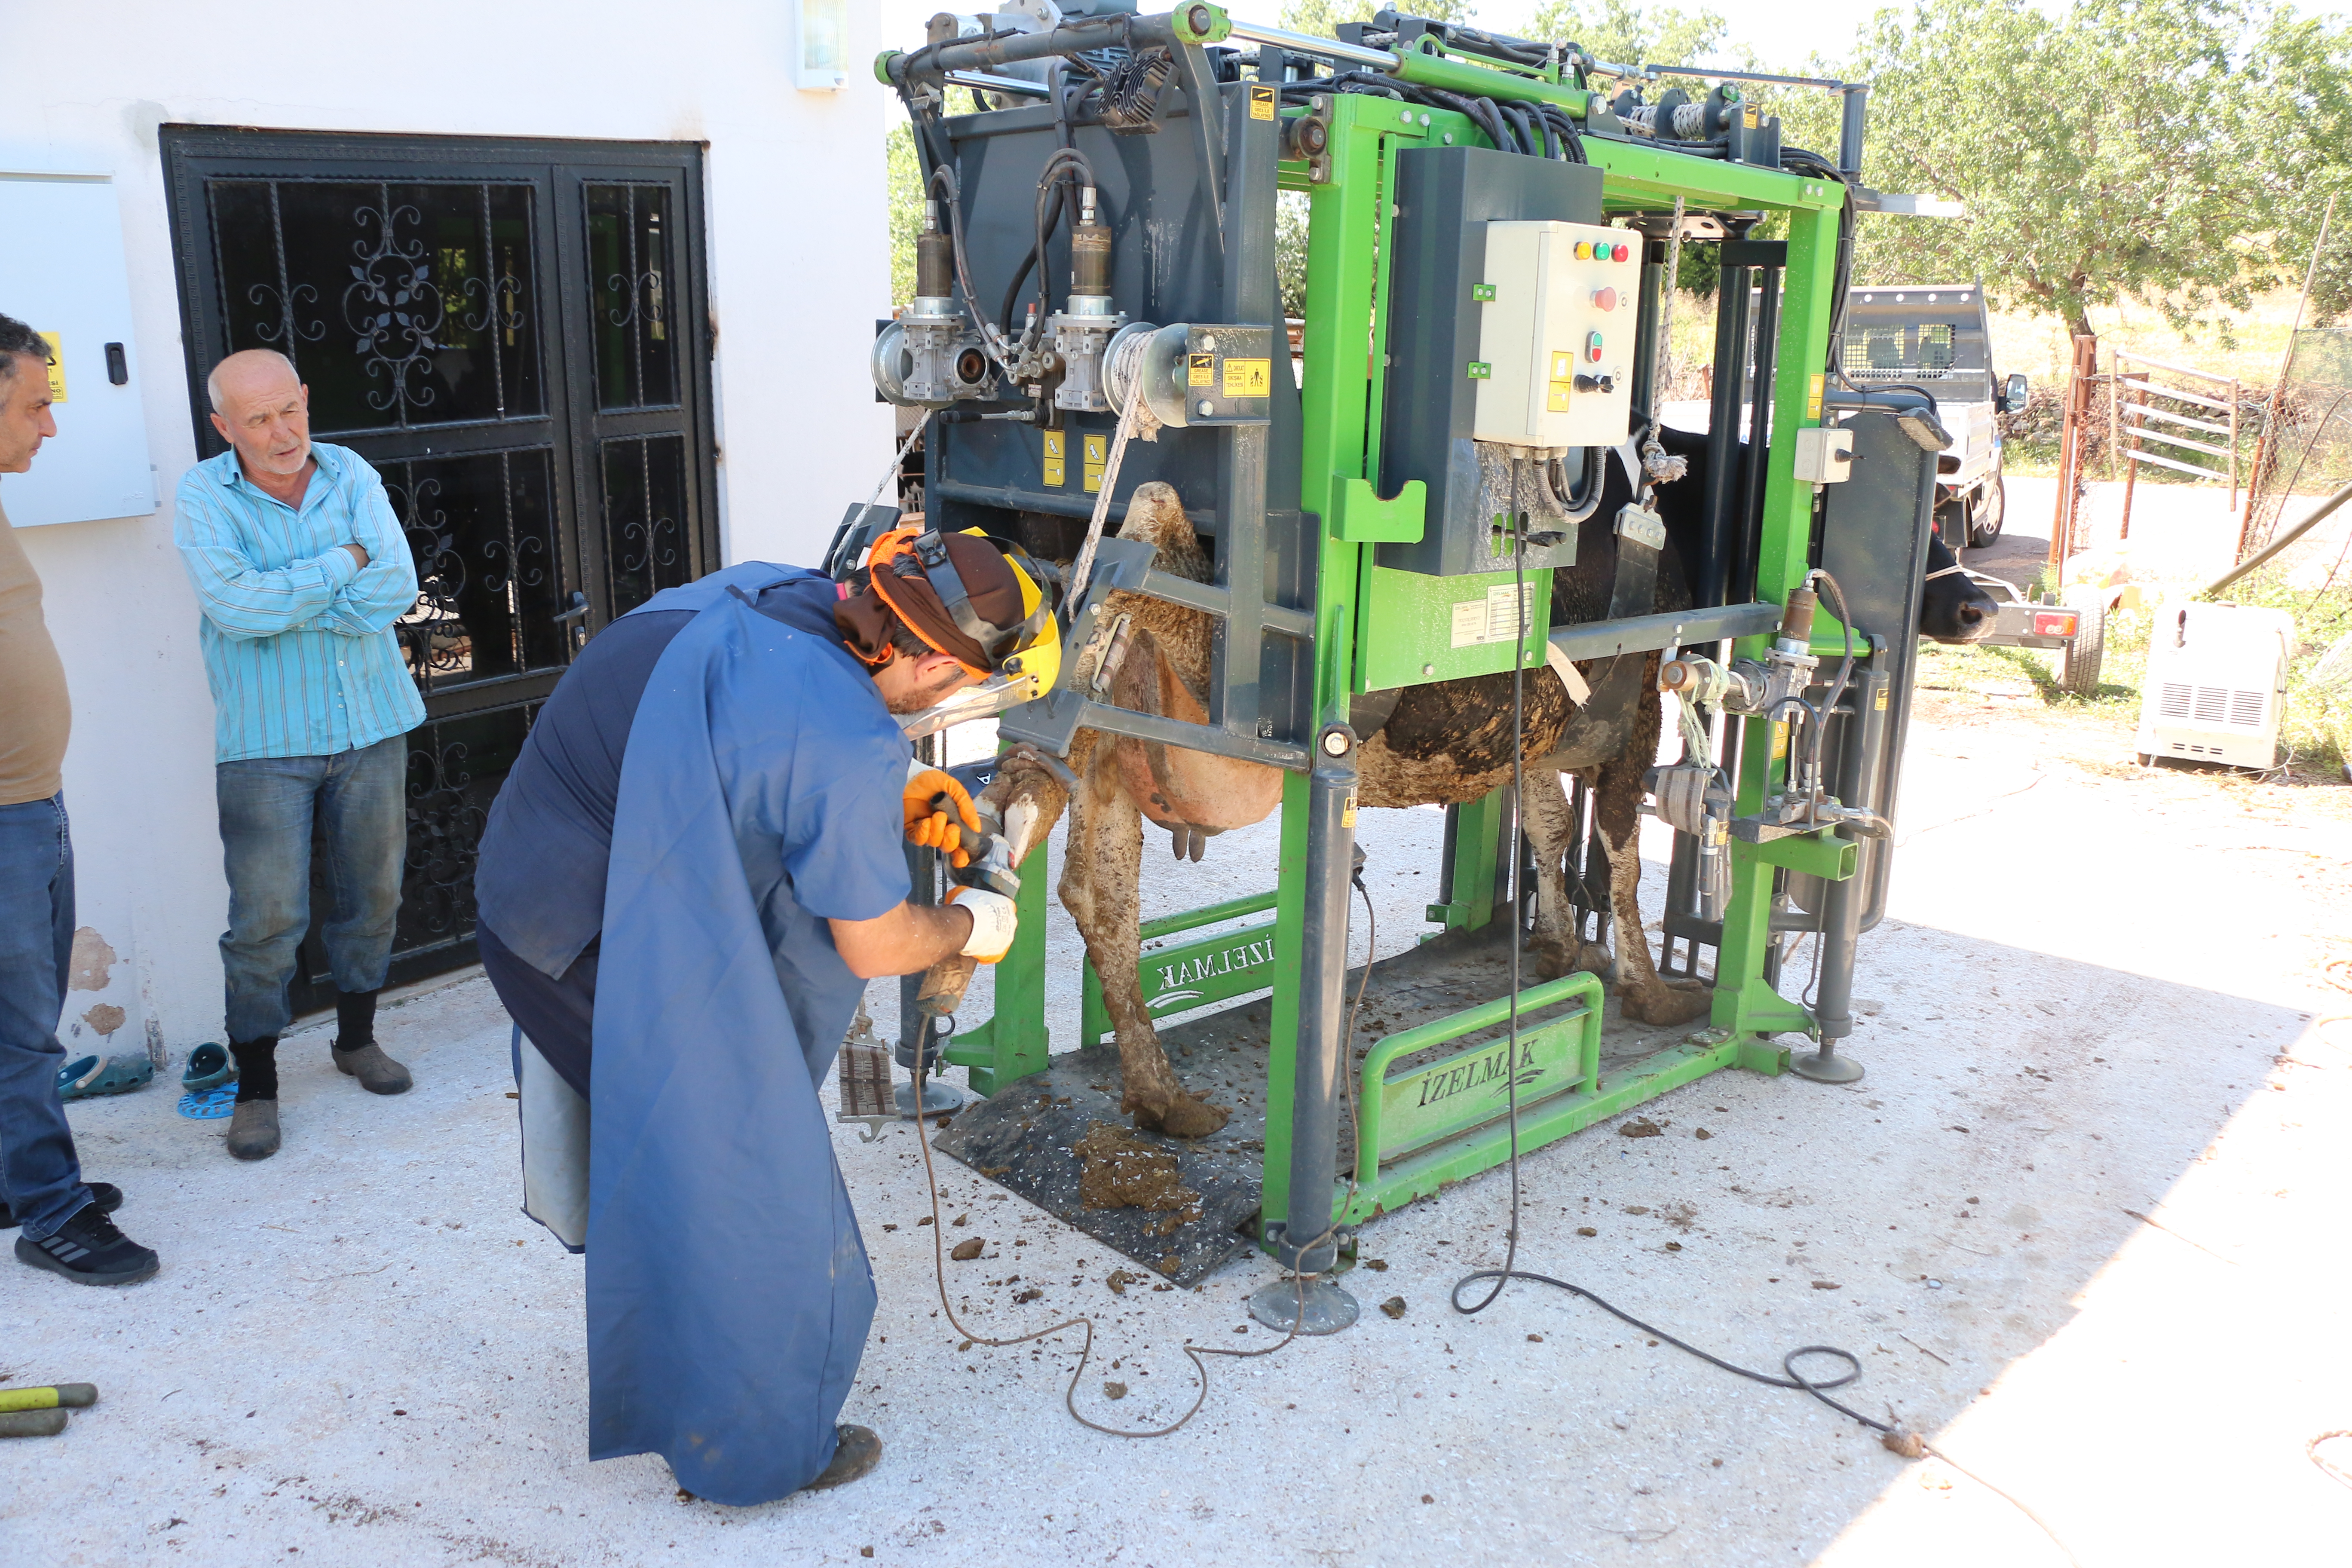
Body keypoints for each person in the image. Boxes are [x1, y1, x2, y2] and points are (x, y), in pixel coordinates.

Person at [471, 521, 1057, 1506]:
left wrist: (901, 786)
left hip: (533, 877)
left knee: (690, 1167)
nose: (948, 701)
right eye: (952, 683)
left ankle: (686, 1367)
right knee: (741, 1183)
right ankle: (749, 1455)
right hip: (574, 940)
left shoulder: (769, 594)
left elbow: (735, 736)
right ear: (916, 654)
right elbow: (871, 941)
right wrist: (968, 924)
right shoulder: (837, 735)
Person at [173, 349, 424, 1162]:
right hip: (266, 742)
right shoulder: (204, 494)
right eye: (257, 420)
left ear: (306, 399)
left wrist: (297, 592)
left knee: (374, 897)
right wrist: (340, 564)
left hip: (371, 723)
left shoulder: (351, 471)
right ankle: (255, 1087)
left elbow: (397, 585)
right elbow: (237, 608)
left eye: (290, 410)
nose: (281, 433)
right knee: (267, 921)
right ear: (223, 427)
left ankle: (356, 1041)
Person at [0, 312, 159, 1285]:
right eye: (34, 405)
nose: (49, 428)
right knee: (20, 1027)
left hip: (33, 803)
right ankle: (52, 1215)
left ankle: (18, 1175)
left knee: (26, 1008)